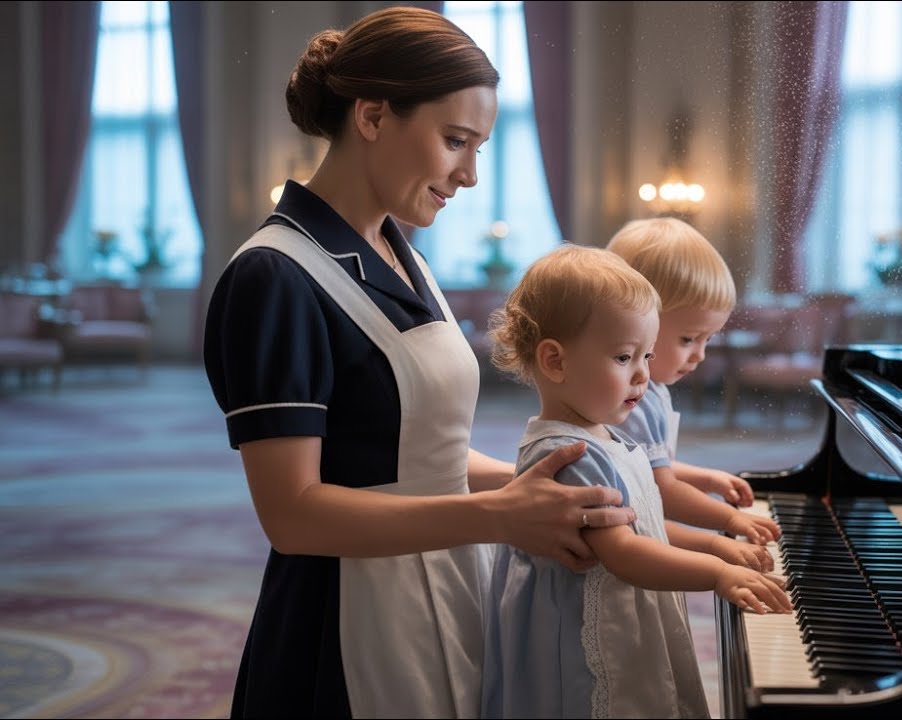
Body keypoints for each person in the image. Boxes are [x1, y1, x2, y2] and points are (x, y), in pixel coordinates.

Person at [201, 8, 634, 718]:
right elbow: (294, 517)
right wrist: (499, 516)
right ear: (372, 117)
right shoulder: (274, 277)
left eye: (479, 148)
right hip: (346, 626)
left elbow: (416, 454)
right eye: (455, 140)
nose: (467, 174)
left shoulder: (404, 254)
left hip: (449, 576)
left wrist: (560, 478)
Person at [481, 244, 792, 719]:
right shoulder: (570, 455)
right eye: (625, 357)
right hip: (583, 633)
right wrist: (715, 570)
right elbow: (624, 552)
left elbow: (645, 525)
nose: (645, 375)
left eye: (647, 355)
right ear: (555, 361)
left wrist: (714, 545)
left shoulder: (604, 435)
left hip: (624, 609)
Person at [606, 217, 781, 543]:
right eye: (688, 339)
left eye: (708, 339)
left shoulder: (649, 391)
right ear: (635, 323)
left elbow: (649, 466)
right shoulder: (631, 402)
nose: (700, 354)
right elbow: (661, 489)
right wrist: (730, 519)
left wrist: (706, 478)